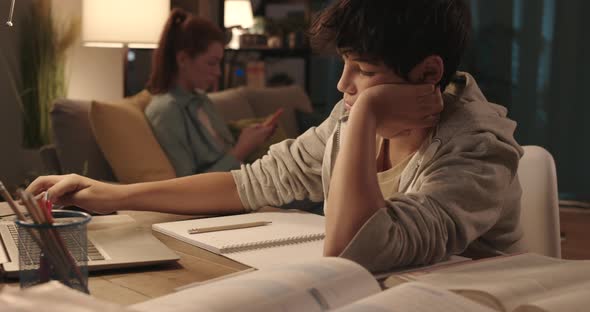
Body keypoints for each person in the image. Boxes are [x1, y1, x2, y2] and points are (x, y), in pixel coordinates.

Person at [27, 0, 524, 272]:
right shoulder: (348, 119)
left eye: (362, 71)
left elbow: (355, 251)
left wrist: (370, 111)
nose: (342, 85)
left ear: (427, 72)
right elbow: (250, 182)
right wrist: (116, 196)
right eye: (343, 66)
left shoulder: (477, 146)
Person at [144, 9, 276, 176]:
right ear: (183, 59)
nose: (218, 72)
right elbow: (187, 184)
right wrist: (242, 149)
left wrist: (249, 138)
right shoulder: (166, 110)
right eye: (211, 63)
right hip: (224, 193)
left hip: (247, 179)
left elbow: (224, 151)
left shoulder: (202, 100)